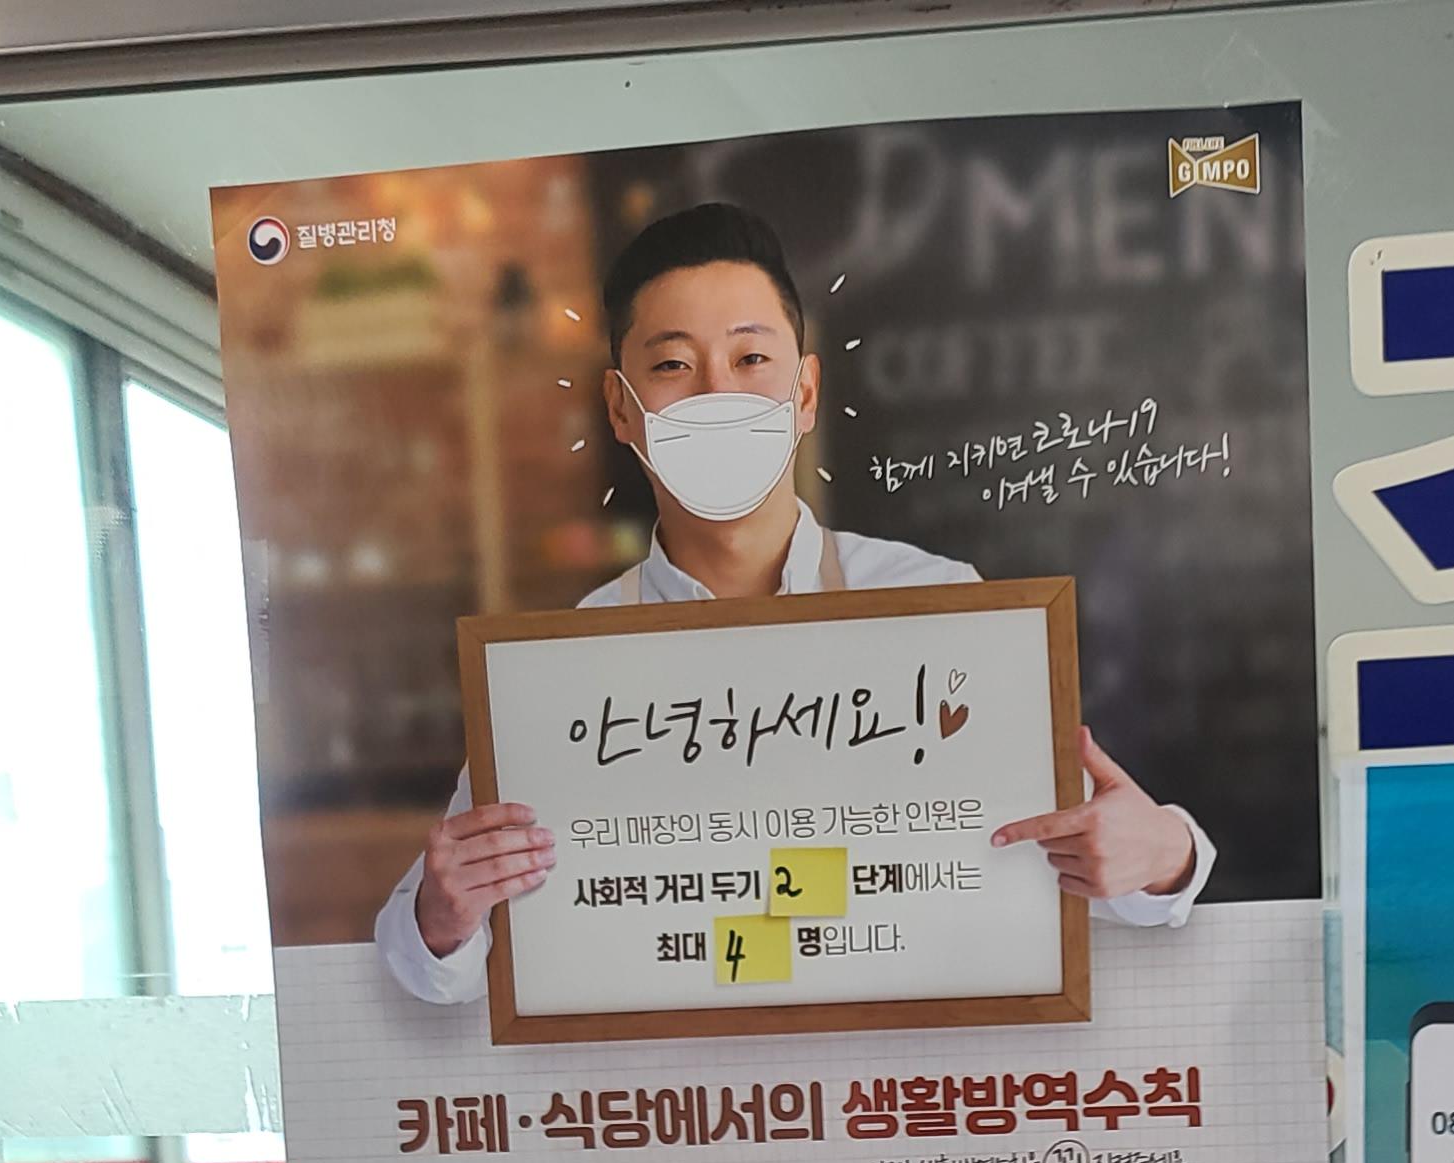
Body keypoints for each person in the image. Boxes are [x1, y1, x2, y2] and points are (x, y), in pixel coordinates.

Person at [375, 200, 1211, 1006]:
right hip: (686, 1088)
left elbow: (1104, 868)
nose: (717, 395)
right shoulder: (562, 668)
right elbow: (432, 962)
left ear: (805, 394)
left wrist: (1163, 852)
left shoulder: (939, 608)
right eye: (672, 366)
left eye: (750, 360)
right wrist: (442, 913)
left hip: (904, 1079)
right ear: (620, 409)